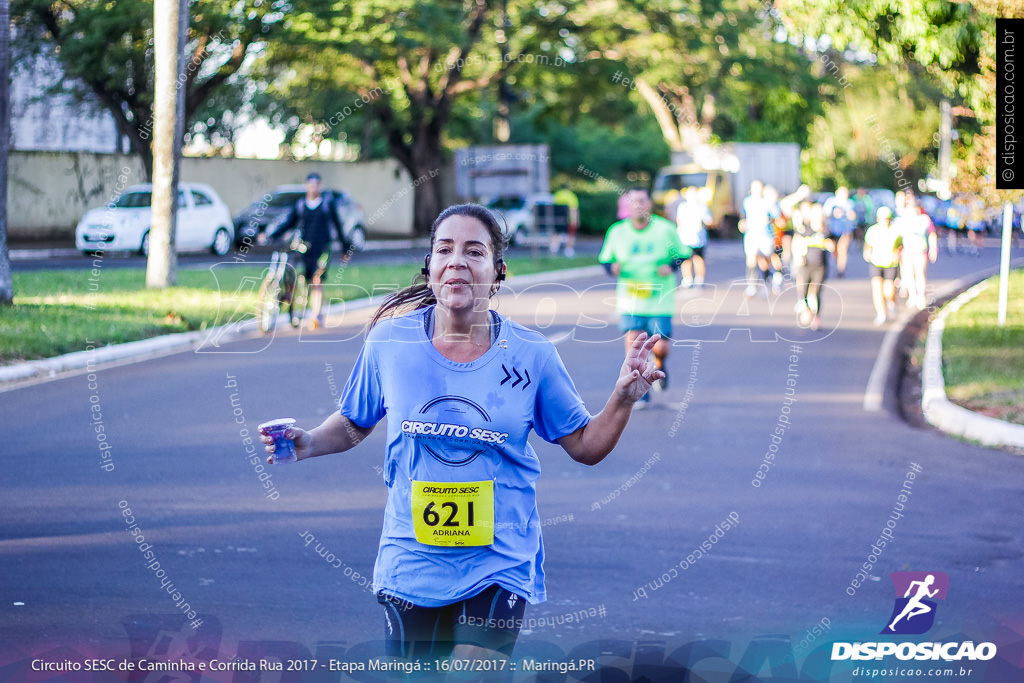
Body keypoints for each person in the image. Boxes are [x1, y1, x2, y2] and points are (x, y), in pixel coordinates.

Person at [261, 203, 663, 667]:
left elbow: (586, 446)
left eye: (474, 251)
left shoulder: (532, 354)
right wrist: (308, 441)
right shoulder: (390, 343)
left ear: (497, 272)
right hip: (410, 558)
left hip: (498, 559)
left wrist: (622, 398)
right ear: (430, 267)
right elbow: (355, 421)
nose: (457, 261)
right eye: (444, 249)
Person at [599, 187, 690, 405]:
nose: (638, 205)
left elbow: (683, 254)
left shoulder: (665, 229)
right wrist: (612, 268)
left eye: (642, 201)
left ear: (649, 204)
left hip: (660, 300)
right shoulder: (617, 231)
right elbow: (606, 259)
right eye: (633, 201)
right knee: (634, 348)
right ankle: (640, 391)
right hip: (630, 299)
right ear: (628, 206)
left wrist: (671, 265)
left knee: (660, 347)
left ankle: (659, 364)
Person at [262, 172, 350, 329]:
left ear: (320, 186)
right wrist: (271, 235)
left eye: (316, 184)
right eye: (311, 184)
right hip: (304, 248)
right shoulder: (301, 205)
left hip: (323, 247)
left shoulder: (326, 204)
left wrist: (345, 248)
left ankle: (316, 315)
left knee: (317, 281)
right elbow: (289, 223)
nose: (313, 187)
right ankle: (298, 308)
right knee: (302, 279)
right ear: (307, 186)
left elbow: (337, 225)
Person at [791, 201, 833, 330]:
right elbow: (796, 242)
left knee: (817, 292)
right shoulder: (805, 229)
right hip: (806, 264)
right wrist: (798, 256)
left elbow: (832, 246)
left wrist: (829, 245)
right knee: (804, 290)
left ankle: (816, 317)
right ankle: (806, 307)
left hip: (820, 266)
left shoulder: (826, 231)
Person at [894, 191, 938, 310]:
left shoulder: (924, 219)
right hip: (907, 251)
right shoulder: (905, 219)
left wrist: (933, 248)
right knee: (909, 274)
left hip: (920, 250)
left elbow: (932, 234)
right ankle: (912, 296)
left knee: (919, 273)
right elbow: (898, 235)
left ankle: (921, 296)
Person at [862, 207, 902, 325]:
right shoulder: (872, 231)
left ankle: (891, 302)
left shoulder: (895, 231)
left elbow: (900, 246)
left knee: (888, 291)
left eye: (887, 219)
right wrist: (867, 252)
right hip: (876, 262)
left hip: (890, 263)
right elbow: (867, 245)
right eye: (883, 219)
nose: (885, 221)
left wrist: (897, 254)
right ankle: (881, 313)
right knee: (877, 288)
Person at [740, 180, 776, 297]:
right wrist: (742, 223)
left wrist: (770, 221)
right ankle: (751, 286)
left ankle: (766, 281)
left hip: (765, 234)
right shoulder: (747, 201)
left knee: (764, 260)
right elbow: (742, 216)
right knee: (751, 259)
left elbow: (776, 216)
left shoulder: (767, 202)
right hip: (751, 234)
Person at [674, 187, 711, 288]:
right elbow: (679, 220)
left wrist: (702, 223)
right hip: (686, 237)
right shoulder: (683, 207)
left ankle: (699, 279)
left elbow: (709, 221)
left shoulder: (702, 207)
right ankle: (687, 279)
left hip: (699, 238)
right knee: (686, 259)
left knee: (698, 259)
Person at [823, 186, 856, 277]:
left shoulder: (850, 203)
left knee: (843, 249)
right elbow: (825, 213)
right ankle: (836, 261)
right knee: (834, 249)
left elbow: (853, 215)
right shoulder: (831, 201)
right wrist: (834, 213)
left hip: (846, 230)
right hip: (833, 229)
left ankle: (841, 269)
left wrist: (851, 216)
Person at [551, 184, 580, 257]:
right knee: (571, 234)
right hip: (568, 220)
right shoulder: (571, 196)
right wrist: (575, 221)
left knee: (557, 233)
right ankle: (569, 249)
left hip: (557, 219)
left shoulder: (557, 195)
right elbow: (573, 210)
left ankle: (554, 248)